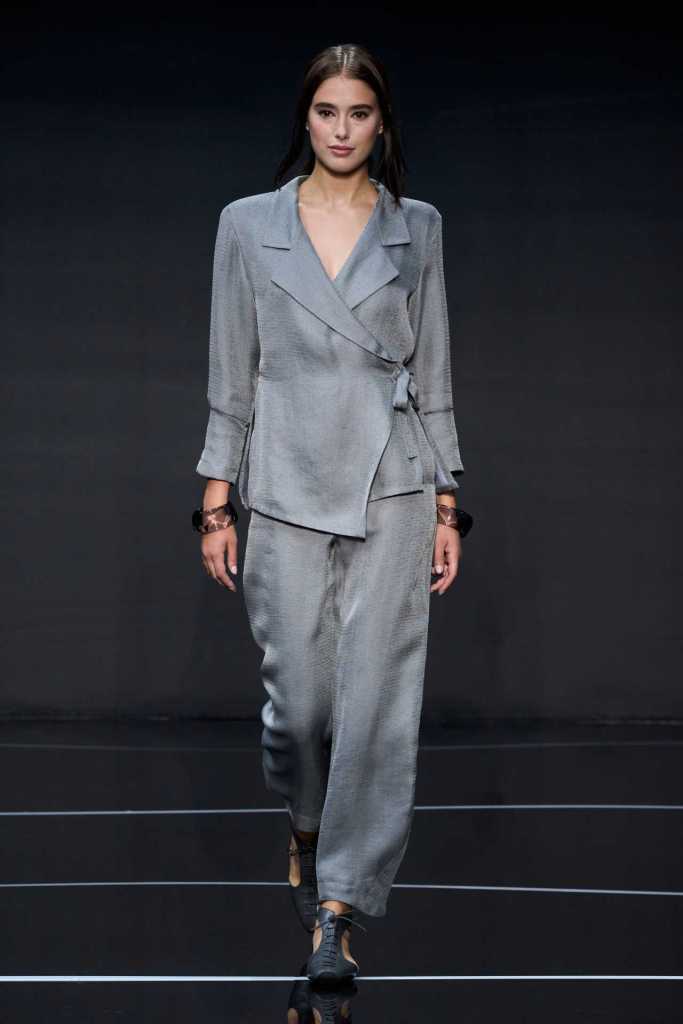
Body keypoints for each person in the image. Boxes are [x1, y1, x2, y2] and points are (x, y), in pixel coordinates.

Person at [193, 43, 472, 985]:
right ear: (304, 118)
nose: (342, 130)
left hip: (392, 481)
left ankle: (338, 910)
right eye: (326, 112)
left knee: (378, 710)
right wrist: (215, 501)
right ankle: (306, 824)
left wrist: (446, 499)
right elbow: (233, 369)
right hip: (282, 481)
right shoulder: (247, 225)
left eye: (359, 113)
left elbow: (432, 371)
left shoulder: (416, 228)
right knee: (301, 707)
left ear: (381, 123)